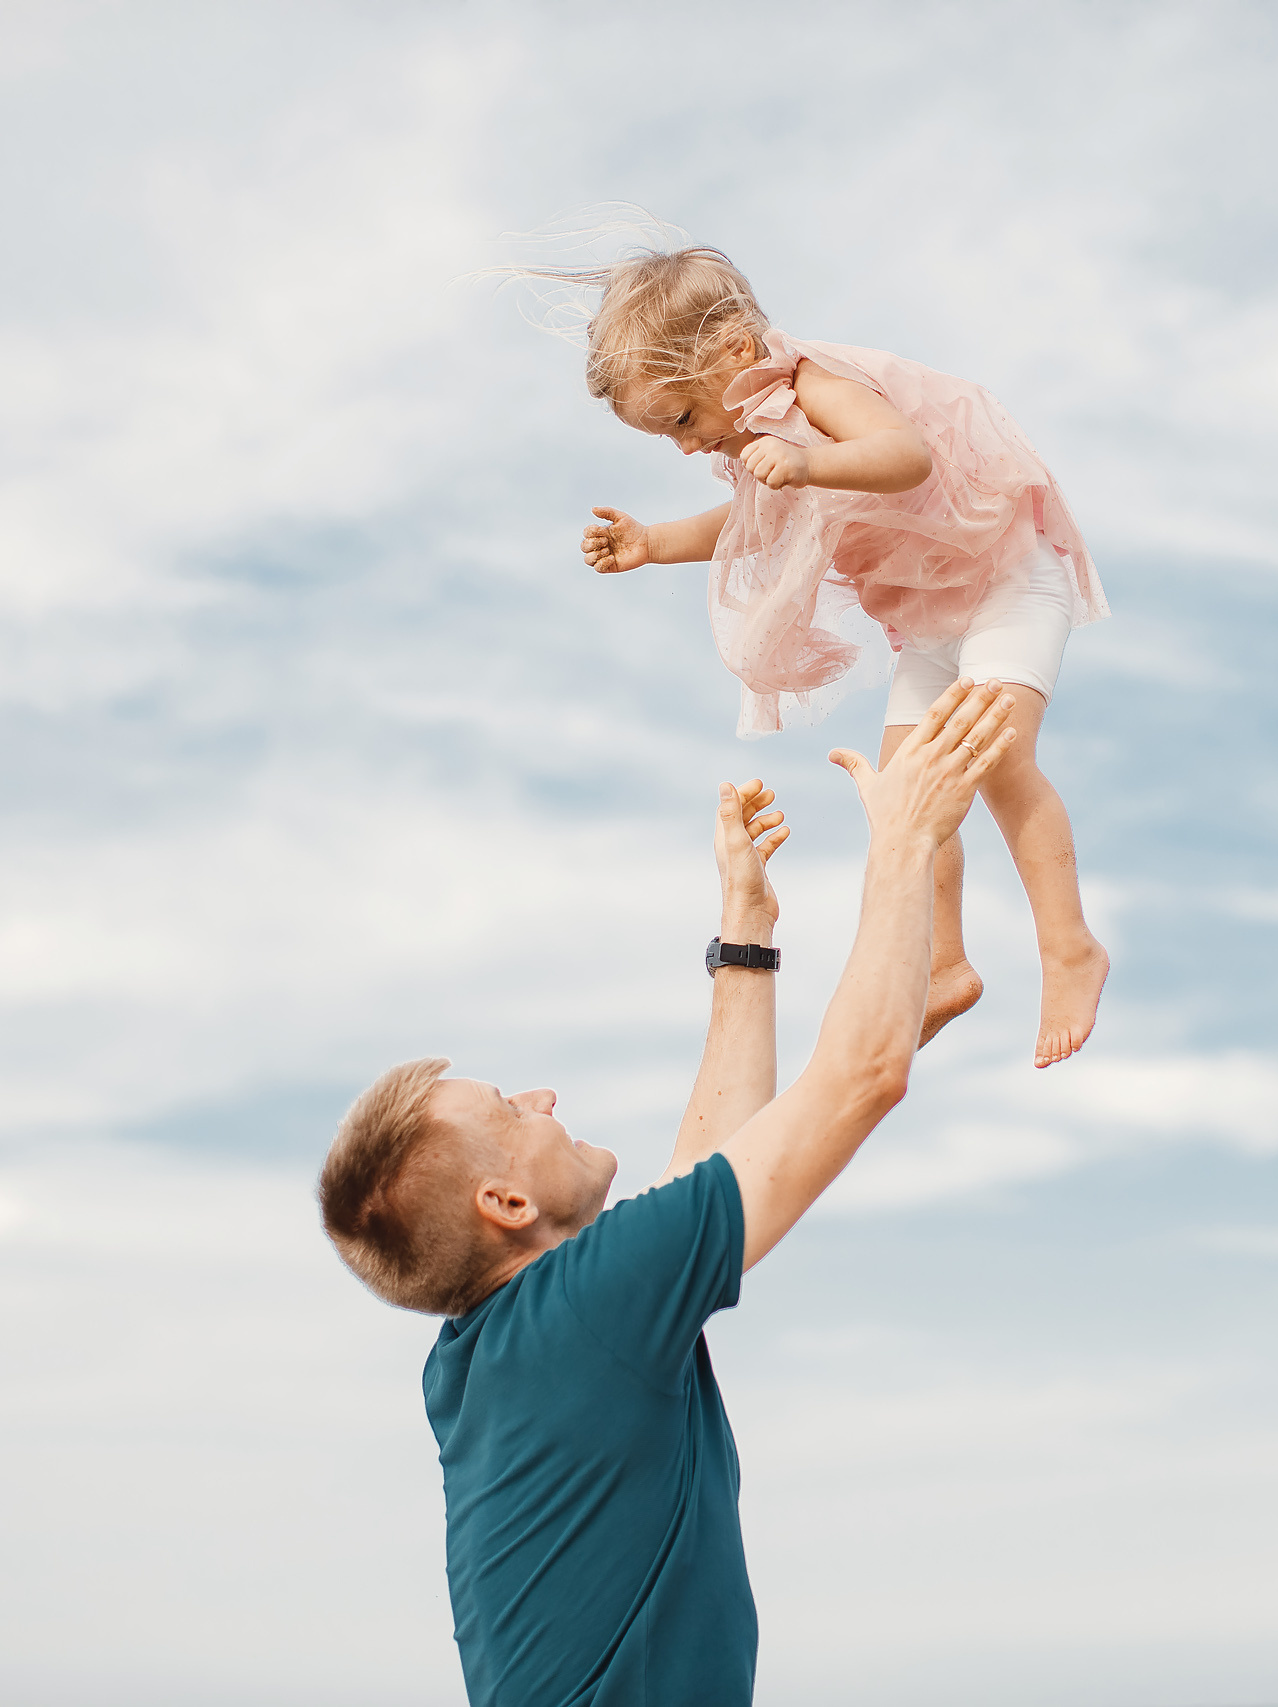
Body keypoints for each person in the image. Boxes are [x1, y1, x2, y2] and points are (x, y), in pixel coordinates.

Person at [318, 678, 1018, 1707]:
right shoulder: (581, 1311)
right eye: (515, 1110)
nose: (545, 1095)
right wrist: (905, 836)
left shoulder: (495, 1354)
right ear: (505, 1206)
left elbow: (714, 1174)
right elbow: (862, 1079)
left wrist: (745, 931)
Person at [569, 243, 1112, 1068]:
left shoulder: (812, 386)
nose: (686, 447)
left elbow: (905, 455)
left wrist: (808, 461)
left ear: (736, 354)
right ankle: (944, 964)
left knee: (994, 758)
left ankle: (1070, 946)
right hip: (928, 614)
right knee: (903, 802)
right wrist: (653, 542)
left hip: (1003, 569)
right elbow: (753, 522)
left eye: (681, 419)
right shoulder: (752, 431)